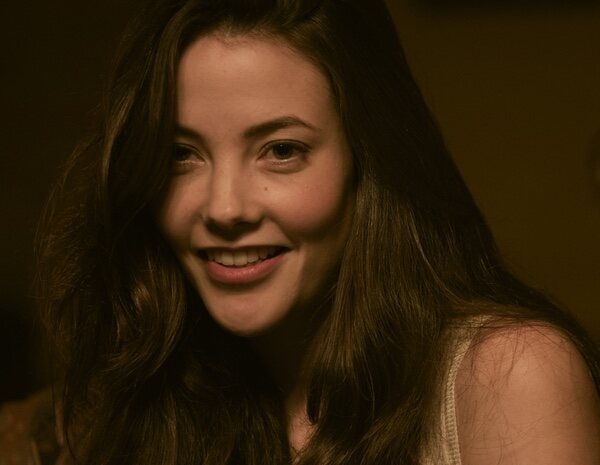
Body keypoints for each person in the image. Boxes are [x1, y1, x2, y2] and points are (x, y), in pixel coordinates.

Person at [8, 0, 599, 464]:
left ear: (367, 162)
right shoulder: (146, 398)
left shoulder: (507, 376)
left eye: (281, 150)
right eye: (181, 154)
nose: (224, 207)